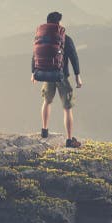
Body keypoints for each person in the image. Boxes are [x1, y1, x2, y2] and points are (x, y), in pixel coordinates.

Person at [31, 11, 83, 148]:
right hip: (61, 76)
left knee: (47, 102)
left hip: (47, 74)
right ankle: (69, 139)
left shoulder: (42, 38)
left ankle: (44, 131)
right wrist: (78, 76)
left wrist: (33, 72)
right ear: (58, 23)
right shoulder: (65, 38)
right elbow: (74, 58)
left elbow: (35, 54)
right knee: (67, 108)